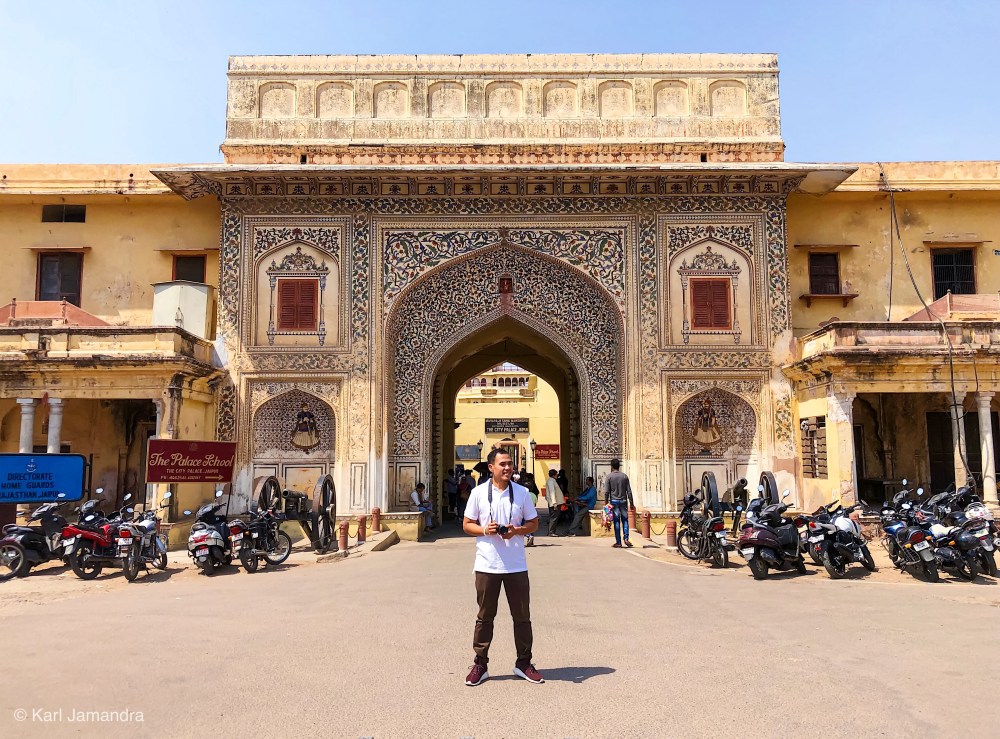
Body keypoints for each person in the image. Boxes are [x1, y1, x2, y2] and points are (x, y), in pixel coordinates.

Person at [462, 448, 543, 686]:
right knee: (485, 617)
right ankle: (480, 664)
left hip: (516, 565)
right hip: (487, 564)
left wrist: (517, 530)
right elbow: (467, 524)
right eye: (503, 464)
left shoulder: (522, 492)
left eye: (510, 463)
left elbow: (533, 523)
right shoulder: (478, 493)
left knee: (522, 616)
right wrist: (485, 530)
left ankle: (524, 662)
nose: (508, 468)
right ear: (491, 467)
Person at [603, 459, 634, 548]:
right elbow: (629, 491)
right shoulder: (624, 476)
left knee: (617, 521)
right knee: (625, 520)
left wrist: (606, 502)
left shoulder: (609, 477)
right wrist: (631, 503)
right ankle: (626, 538)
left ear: (611, 466)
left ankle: (618, 542)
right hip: (623, 501)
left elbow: (606, 492)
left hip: (614, 501)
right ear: (619, 466)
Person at [545, 469, 565, 536]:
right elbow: (552, 492)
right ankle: (551, 532)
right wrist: (554, 503)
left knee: (554, 517)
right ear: (554, 475)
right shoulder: (551, 481)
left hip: (555, 502)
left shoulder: (552, 481)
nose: (557, 476)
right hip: (554, 503)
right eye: (556, 474)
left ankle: (552, 531)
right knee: (554, 517)